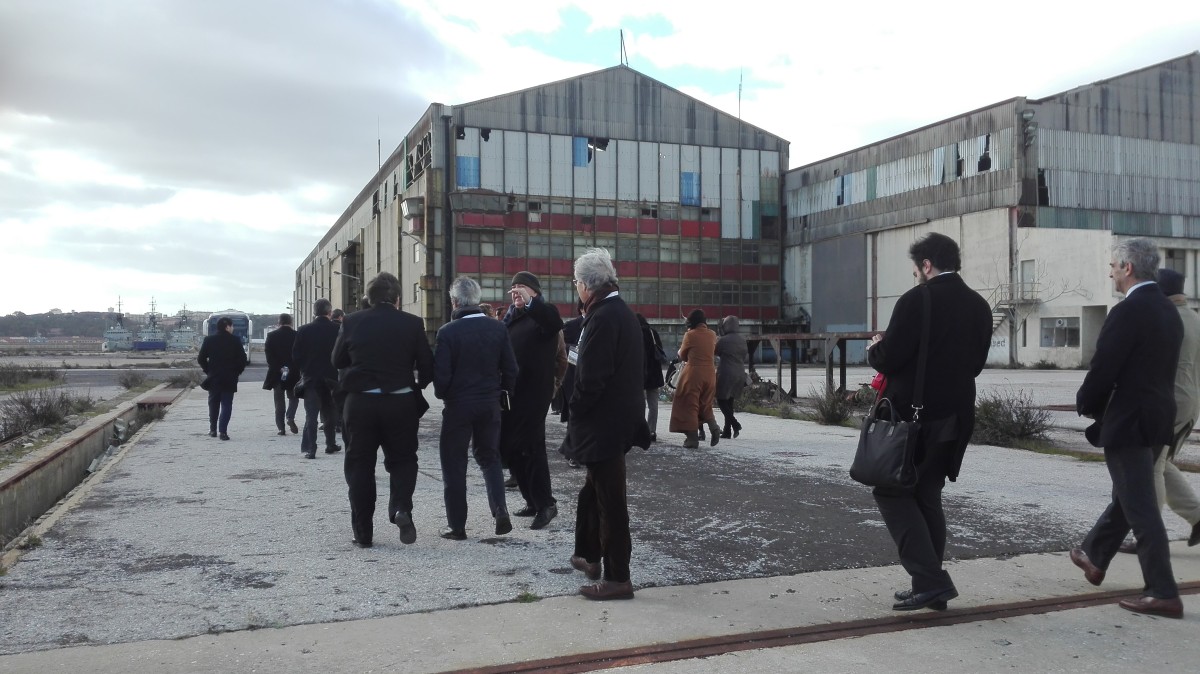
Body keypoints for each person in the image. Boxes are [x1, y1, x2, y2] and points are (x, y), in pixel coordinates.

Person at [865, 232, 991, 611]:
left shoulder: (917, 300)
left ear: (926, 265)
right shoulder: (979, 306)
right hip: (957, 417)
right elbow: (976, 365)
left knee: (890, 492)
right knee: (927, 495)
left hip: (915, 420)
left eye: (916, 268)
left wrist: (875, 348)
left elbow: (890, 357)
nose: (916, 275)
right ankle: (928, 583)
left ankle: (932, 580)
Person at [1071, 239, 1185, 619]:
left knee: (1141, 507)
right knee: (1129, 495)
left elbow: (1105, 366)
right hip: (1158, 417)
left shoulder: (1128, 310)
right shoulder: (1169, 310)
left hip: (1130, 420)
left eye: (1113, 266)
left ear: (1127, 268)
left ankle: (1163, 591)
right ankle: (1094, 555)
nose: (1110, 272)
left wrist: (1085, 403)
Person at [566, 247, 650, 600]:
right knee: (593, 492)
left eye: (575, 283)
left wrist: (575, 409)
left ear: (585, 285)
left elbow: (591, 379)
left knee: (610, 501)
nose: (576, 290)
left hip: (604, 424)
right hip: (617, 419)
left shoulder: (603, 318)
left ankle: (619, 578)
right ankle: (589, 555)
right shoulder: (621, 312)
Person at [332, 272, 435, 548]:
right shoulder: (412, 323)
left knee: (360, 465)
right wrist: (415, 385)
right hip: (399, 402)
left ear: (368, 298)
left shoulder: (352, 321)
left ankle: (363, 532)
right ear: (397, 299)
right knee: (403, 459)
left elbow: (337, 359)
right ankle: (401, 508)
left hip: (361, 403)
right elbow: (427, 364)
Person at [1119, 269, 1200, 554]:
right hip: (1189, 403)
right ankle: (1197, 517)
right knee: (1162, 463)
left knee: (1151, 467)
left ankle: (1149, 536)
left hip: (1169, 402)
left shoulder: (1168, 319)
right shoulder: (1194, 318)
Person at [433, 277, 519, 540]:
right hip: (489, 403)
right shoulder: (497, 329)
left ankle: (457, 526)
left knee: (454, 462)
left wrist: (445, 394)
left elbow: (441, 378)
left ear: (455, 301)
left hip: (458, 405)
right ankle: (500, 509)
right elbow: (511, 369)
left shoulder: (447, 332)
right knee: (489, 458)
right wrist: (503, 393)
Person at [500, 271, 564, 530]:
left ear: (534, 292)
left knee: (532, 450)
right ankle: (531, 499)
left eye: (522, 288)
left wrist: (530, 302)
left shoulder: (543, 315)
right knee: (512, 450)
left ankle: (546, 504)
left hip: (533, 396)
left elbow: (553, 323)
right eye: (513, 288)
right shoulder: (510, 319)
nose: (516, 292)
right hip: (511, 394)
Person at [292, 299, 341, 459]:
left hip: (311, 377)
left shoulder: (303, 330)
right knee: (331, 413)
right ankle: (330, 444)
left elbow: (296, 356)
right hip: (332, 377)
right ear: (330, 312)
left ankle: (310, 449)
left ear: (314, 312)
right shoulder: (338, 329)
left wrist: (305, 369)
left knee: (311, 415)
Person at [669, 309, 720, 448]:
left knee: (689, 404)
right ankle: (714, 427)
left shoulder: (690, 335)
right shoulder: (712, 334)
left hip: (694, 374)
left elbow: (683, 355)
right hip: (710, 374)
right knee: (705, 403)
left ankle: (692, 439)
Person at [197, 316, 248, 441]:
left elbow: (201, 358)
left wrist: (208, 370)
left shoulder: (209, 340)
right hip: (230, 378)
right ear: (227, 327)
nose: (233, 328)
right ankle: (223, 432)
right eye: (232, 326)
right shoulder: (235, 340)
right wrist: (237, 372)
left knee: (213, 403)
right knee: (226, 404)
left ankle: (213, 429)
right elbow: (243, 360)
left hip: (214, 377)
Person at [262, 313, 299, 436]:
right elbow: (301, 354)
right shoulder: (297, 335)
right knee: (293, 397)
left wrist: (279, 368)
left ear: (279, 322)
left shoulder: (271, 336)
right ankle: (290, 416)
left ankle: (281, 428)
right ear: (291, 322)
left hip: (278, 373)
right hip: (294, 373)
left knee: (279, 401)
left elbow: (269, 357)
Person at [715, 315, 749, 439]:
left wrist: (720, 335)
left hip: (726, 372)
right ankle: (727, 431)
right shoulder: (742, 339)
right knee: (730, 402)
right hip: (740, 373)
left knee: (721, 400)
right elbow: (744, 355)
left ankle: (735, 424)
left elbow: (715, 351)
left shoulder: (723, 340)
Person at [636, 313, 666, 443]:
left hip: (639, 372)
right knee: (653, 404)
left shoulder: (635, 333)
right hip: (654, 372)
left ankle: (639, 431)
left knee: (639, 403)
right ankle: (651, 430)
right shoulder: (653, 332)